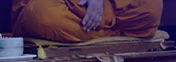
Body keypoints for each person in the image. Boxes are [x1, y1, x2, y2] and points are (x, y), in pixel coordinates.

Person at [11, 0, 163, 43]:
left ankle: (95, 24)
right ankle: (109, 31)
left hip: (107, 5)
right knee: (39, 14)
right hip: (61, 5)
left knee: (152, 6)